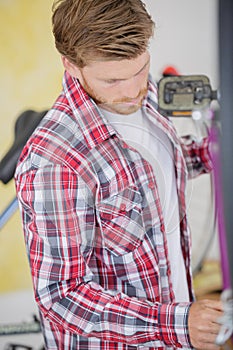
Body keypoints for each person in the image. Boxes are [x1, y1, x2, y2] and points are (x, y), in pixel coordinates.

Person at [15, 0, 223, 349]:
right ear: (71, 65)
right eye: (111, 80)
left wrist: (213, 152)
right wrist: (177, 323)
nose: (131, 91)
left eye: (140, 70)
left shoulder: (146, 95)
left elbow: (153, 174)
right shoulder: (54, 161)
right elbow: (61, 297)